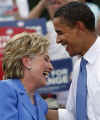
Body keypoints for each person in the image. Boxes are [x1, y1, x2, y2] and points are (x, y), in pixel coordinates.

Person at [46, 1, 100, 120]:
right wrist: (32, 107)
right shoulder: (79, 66)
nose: (57, 40)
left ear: (79, 27)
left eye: (60, 33)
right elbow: (73, 115)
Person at [0, 32, 53, 120]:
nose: (51, 67)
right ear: (27, 62)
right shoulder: (4, 89)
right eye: (46, 59)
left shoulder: (40, 103)